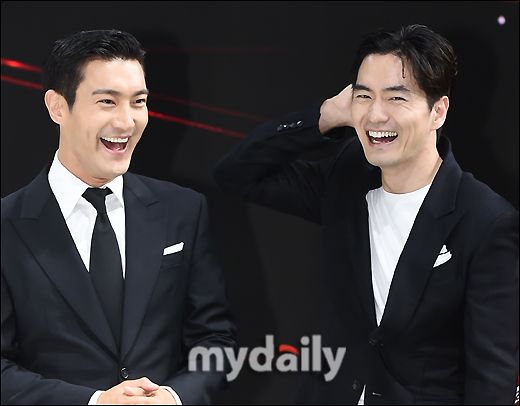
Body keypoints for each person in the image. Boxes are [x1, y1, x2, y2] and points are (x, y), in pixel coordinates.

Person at [213, 24, 518, 404]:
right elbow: (235, 173)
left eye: (396, 98)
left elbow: (493, 373)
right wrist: (326, 115)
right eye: (364, 96)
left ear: (437, 111)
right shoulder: (345, 180)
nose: (376, 115)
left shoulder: (486, 220)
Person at [1, 29, 236, 405]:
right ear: (57, 106)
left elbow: (215, 340)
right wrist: (95, 402)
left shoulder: (184, 209)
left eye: (138, 101)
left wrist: (175, 397)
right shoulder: (7, 226)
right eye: (108, 102)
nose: (127, 122)